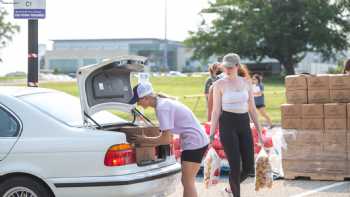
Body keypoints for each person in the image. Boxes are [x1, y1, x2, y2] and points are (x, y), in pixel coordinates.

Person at [129, 82, 209, 197]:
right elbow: (167, 134)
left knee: (188, 182)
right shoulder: (162, 104)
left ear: (146, 98)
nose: (137, 103)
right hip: (196, 141)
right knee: (187, 181)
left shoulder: (162, 108)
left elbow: (166, 139)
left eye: (138, 100)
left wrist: (144, 140)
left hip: (195, 143)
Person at [209, 53, 264, 197]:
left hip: (244, 123)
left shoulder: (246, 83)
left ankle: (228, 190)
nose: (227, 69)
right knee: (235, 166)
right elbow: (215, 111)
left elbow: (252, 108)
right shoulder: (219, 84)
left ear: (237, 66)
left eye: (230, 67)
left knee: (248, 168)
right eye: (225, 66)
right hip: (227, 124)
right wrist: (212, 133)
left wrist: (259, 130)